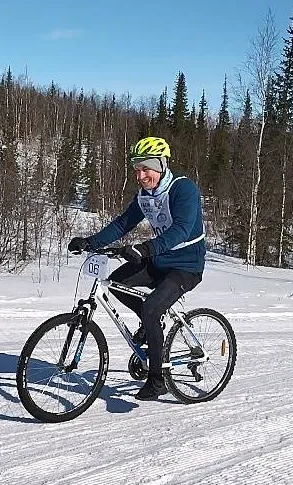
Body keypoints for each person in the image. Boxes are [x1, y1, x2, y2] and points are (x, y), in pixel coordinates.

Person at [68, 136, 206, 401]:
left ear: (162, 166)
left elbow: (182, 229)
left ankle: (158, 379)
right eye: (137, 169)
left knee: (152, 309)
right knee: (116, 283)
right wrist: (90, 242)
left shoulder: (183, 189)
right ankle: (150, 323)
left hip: (186, 266)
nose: (141, 176)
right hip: (158, 261)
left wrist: (146, 249)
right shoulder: (145, 196)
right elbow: (123, 224)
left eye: (147, 169)